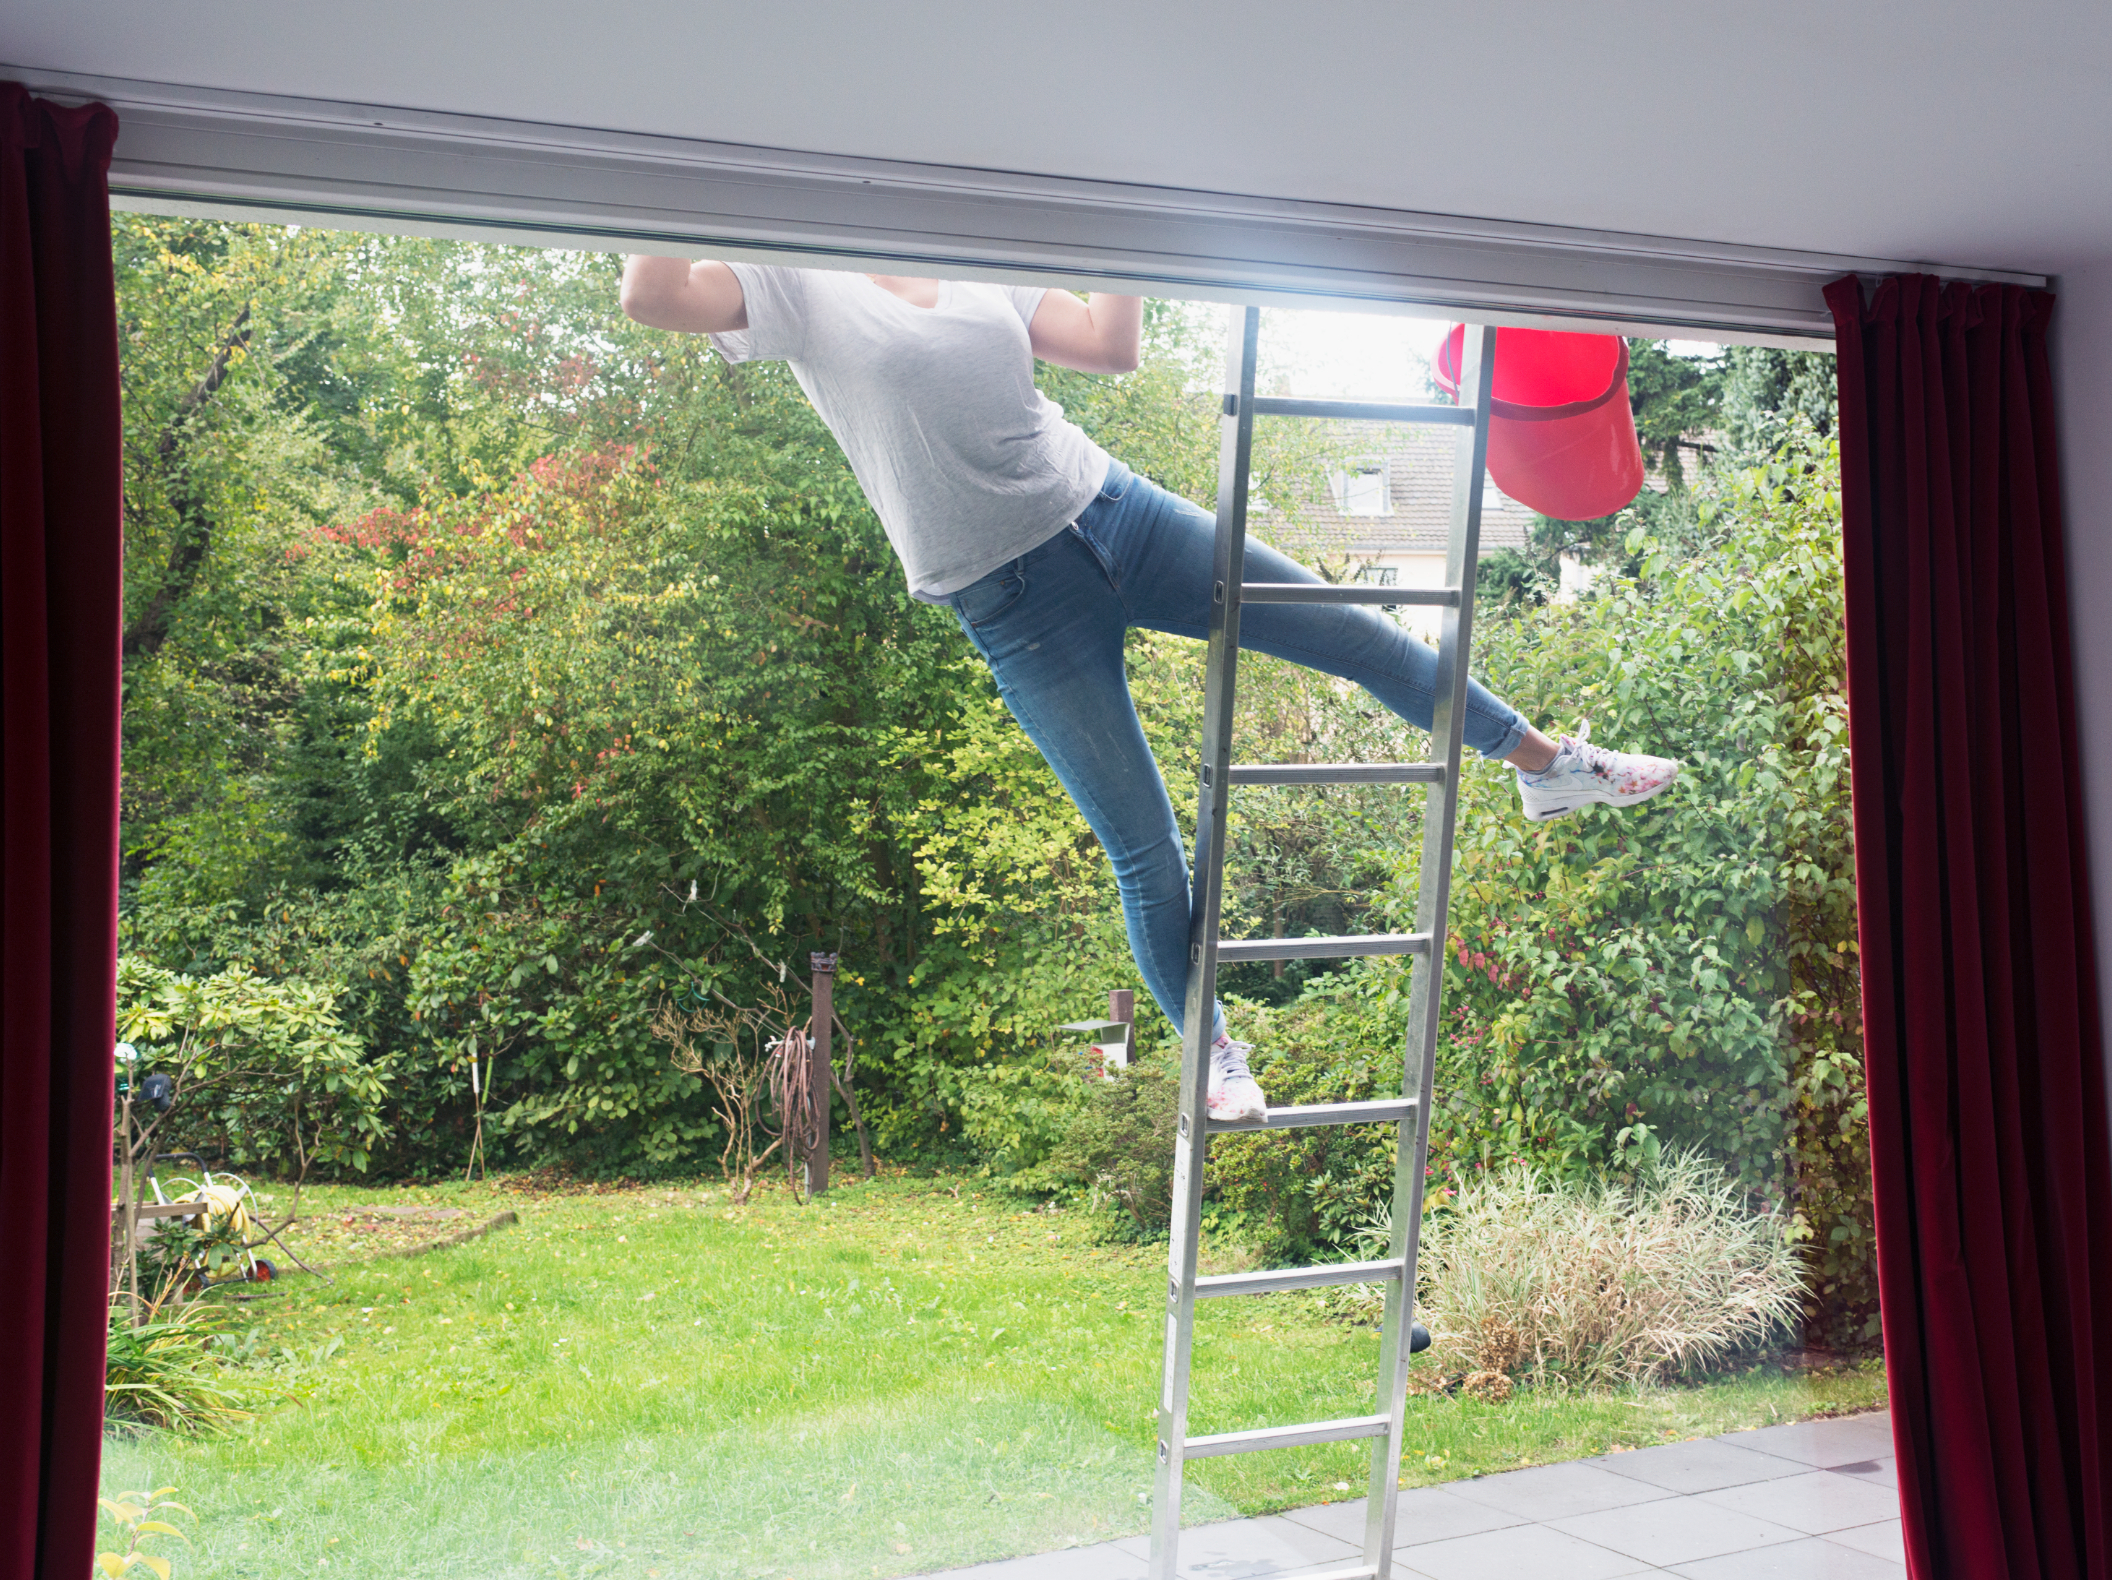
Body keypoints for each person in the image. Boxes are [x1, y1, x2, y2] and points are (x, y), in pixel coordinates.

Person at [618, 260, 1679, 1124]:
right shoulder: (796, 280)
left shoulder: (977, 258)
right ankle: (1210, 1051)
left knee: (1348, 630)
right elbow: (651, 294)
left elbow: (1109, 345)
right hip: (1013, 599)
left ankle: (1547, 764)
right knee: (1143, 843)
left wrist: (1111, 213)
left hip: (1114, 509)